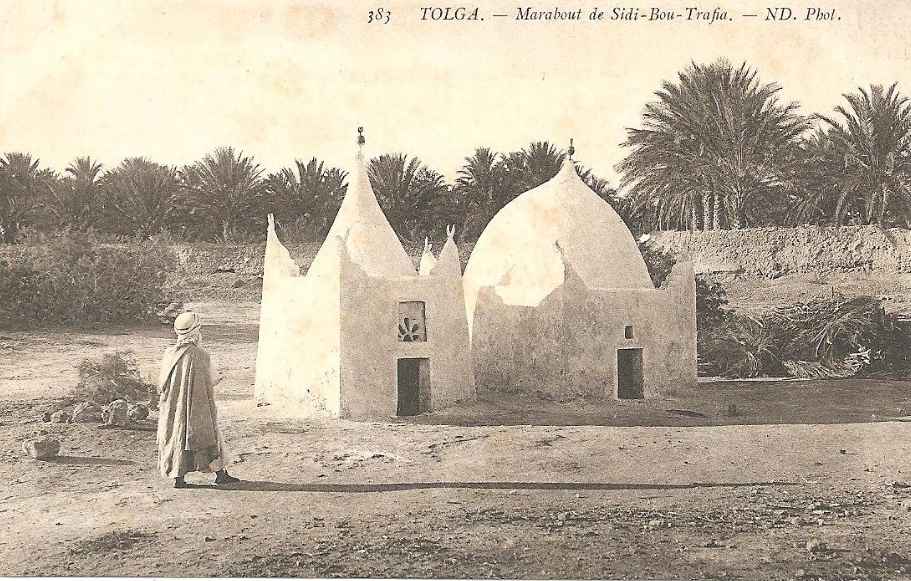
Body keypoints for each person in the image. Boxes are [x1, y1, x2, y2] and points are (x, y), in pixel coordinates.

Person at [157, 312, 239, 488]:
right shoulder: (200, 355)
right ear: (195, 332)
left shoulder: (169, 353)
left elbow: (162, 382)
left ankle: (178, 478)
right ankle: (220, 474)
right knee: (210, 435)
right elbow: (212, 380)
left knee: (176, 436)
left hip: (174, 407)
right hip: (197, 406)